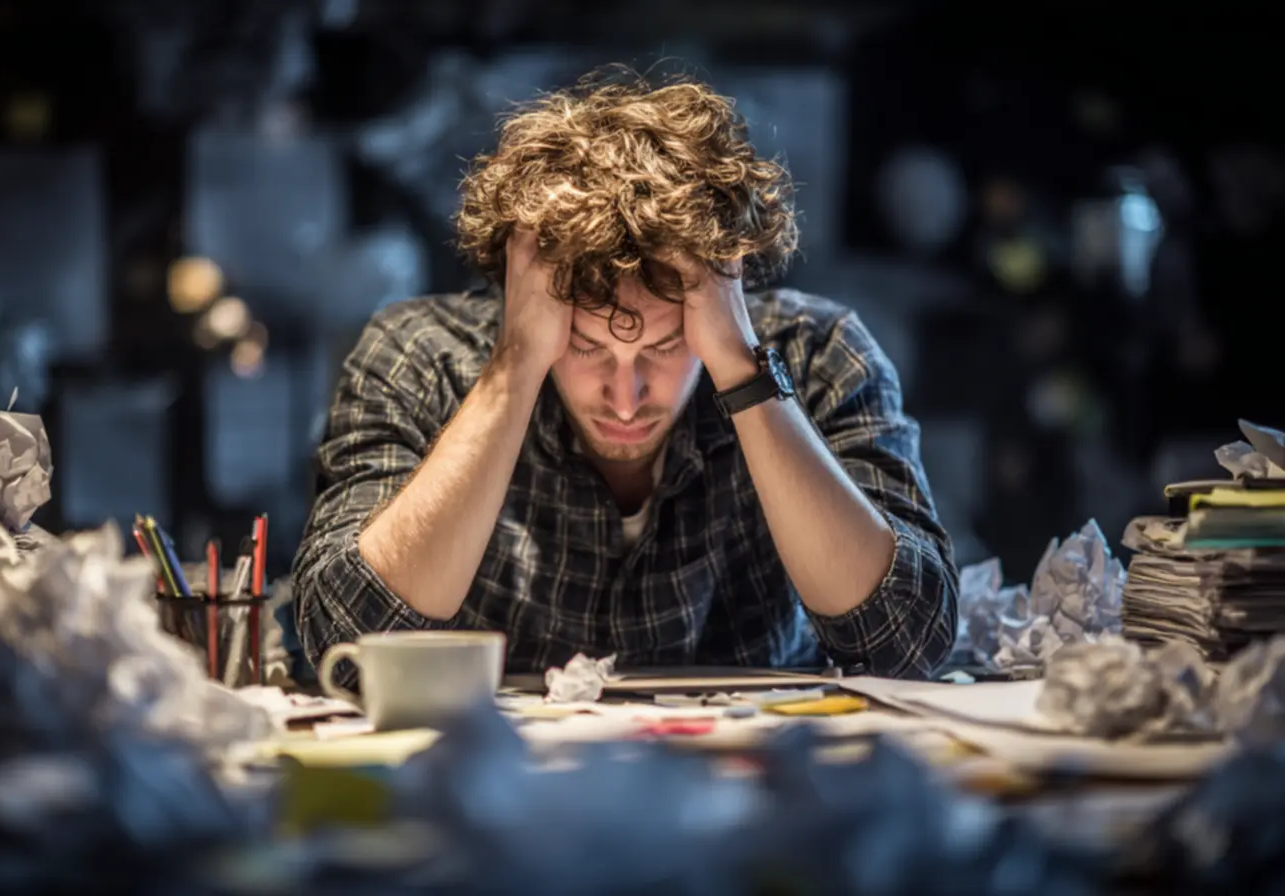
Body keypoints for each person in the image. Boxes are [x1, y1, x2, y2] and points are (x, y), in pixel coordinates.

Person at [293, 70, 959, 687]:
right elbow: (347, 647)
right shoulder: (415, 358)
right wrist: (517, 364)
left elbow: (907, 642)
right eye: (584, 348)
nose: (625, 396)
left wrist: (741, 368)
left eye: (666, 347)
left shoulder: (817, 356)